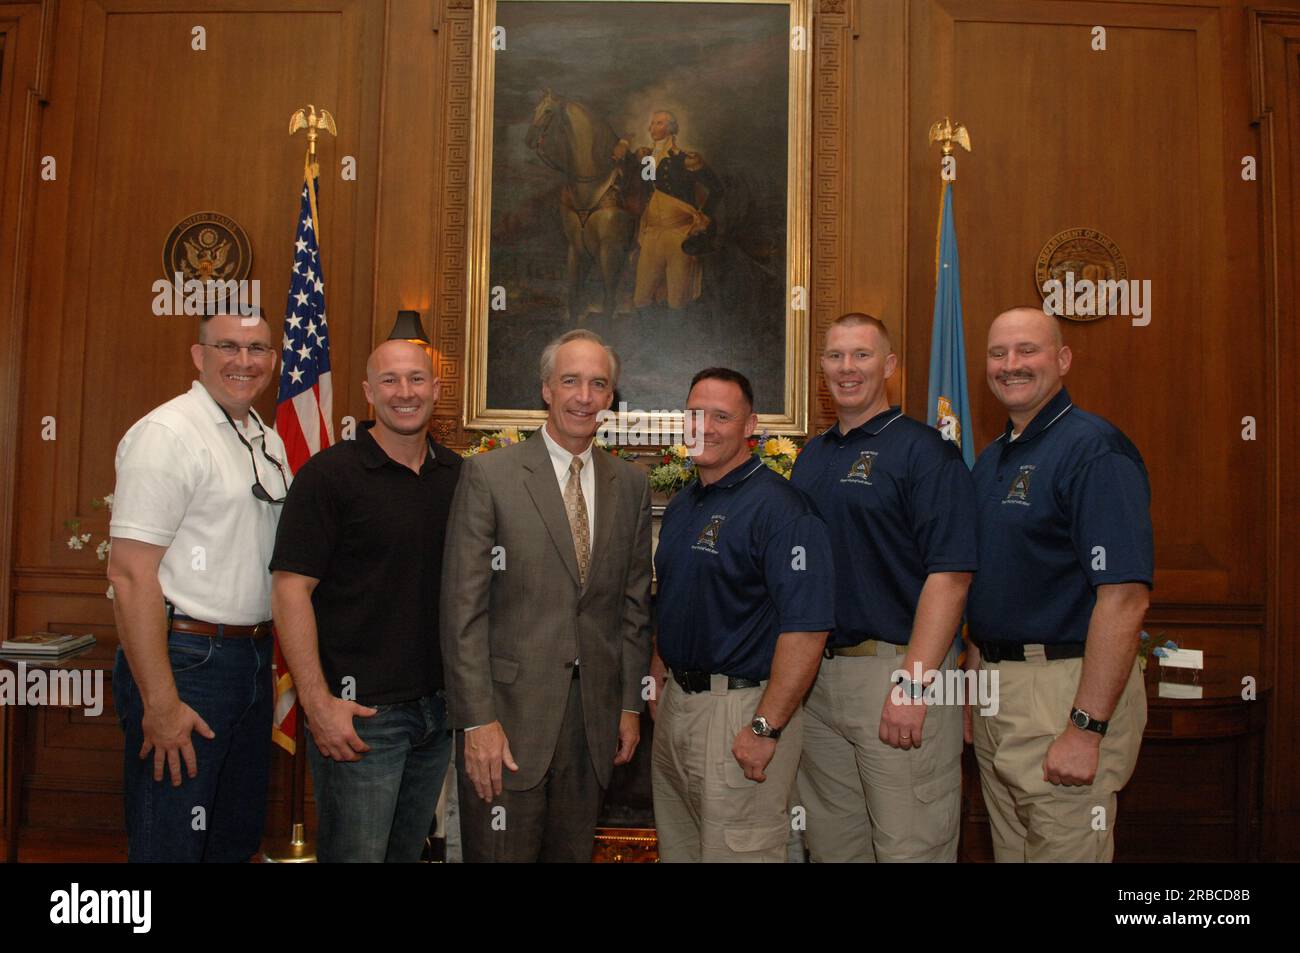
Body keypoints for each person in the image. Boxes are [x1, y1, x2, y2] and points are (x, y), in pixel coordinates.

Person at [441, 329, 653, 862]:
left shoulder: (630, 485)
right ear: (546, 389)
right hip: (507, 725)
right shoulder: (491, 474)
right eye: (571, 381)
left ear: (610, 397)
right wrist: (477, 721)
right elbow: (462, 611)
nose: (584, 396)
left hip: (592, 728)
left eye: (598, 384)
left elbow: (632, 609)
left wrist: (629, 705)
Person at [967, 306, 1153, 862]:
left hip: (1064, 691)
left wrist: (1087, 727)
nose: (1011, 365)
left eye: (1028, 350)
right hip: (1000, 691)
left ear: (1063, 359)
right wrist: (976, 692)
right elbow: (993, 579)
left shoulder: (1094, 450)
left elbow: (1125, 596)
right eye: (999, 353)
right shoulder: (993, 457)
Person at [791, 313, 977, 862]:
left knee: (910, 848)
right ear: (822, 366)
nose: (847, 368)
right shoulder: (812, 456)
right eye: (835, 356)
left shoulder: (925, 452)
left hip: (897, 674)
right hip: (819, 679)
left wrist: (914, 686)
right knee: (833, 848)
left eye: (862, 355)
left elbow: (952, 575)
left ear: (890, 366)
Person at [108, 309, 289, 862]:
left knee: (232, 838)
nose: (244, 361)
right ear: (198, 355)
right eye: (228, 346)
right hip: (186, 662)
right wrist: (160, 704)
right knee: (172, 843)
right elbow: (129, 572)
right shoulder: (168, 433)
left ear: (274, 360)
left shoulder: (267, 438)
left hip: (254, 659)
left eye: (258, 348)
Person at [269, 340, 461, 862]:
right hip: (360, 717)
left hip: (438, 713)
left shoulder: (460, 477)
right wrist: (316, 703)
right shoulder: (329, 475)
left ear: (437, 390)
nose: (405, 392)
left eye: (417, 379)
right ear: (368, 392)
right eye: (391, 380)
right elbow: (290, 590)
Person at [650, 367, 834, 862]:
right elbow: (671, 596)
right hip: (678, 711)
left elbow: (807, 628)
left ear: (750, 425)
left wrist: (764, 727)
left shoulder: (783, 509)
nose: (703, 426)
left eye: (720, 416)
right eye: (694, 414)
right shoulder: (685, 502)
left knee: (740, 852)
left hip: (740, 712)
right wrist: (658, 675)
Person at [614, 110, 724, 313]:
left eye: (658, 123)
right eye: (652, 123)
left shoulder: (686, 159)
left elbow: (717, 189)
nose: (651, 128)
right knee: (641, 298)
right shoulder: (649, 159)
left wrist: (703, 218)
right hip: (652, 233)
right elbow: (644, 183)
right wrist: (624, 144)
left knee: (677, 299)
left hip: (679, 234)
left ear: (670, 127)